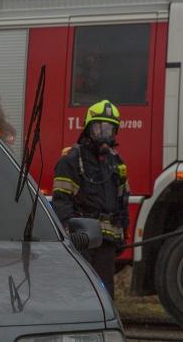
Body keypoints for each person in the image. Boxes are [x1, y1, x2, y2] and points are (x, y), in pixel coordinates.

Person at [52, 99, 129, 298]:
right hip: (83, 238)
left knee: (105, 292)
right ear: (88, 129)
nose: (104, 134)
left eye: (109, 129)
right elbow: (62, 200)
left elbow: (122, 202)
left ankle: (104, 328)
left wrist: (121, 234)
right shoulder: (71, 160)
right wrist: (71, 233)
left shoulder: (116, 163)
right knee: (82, 289)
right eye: (99, 128)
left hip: (107, 241)